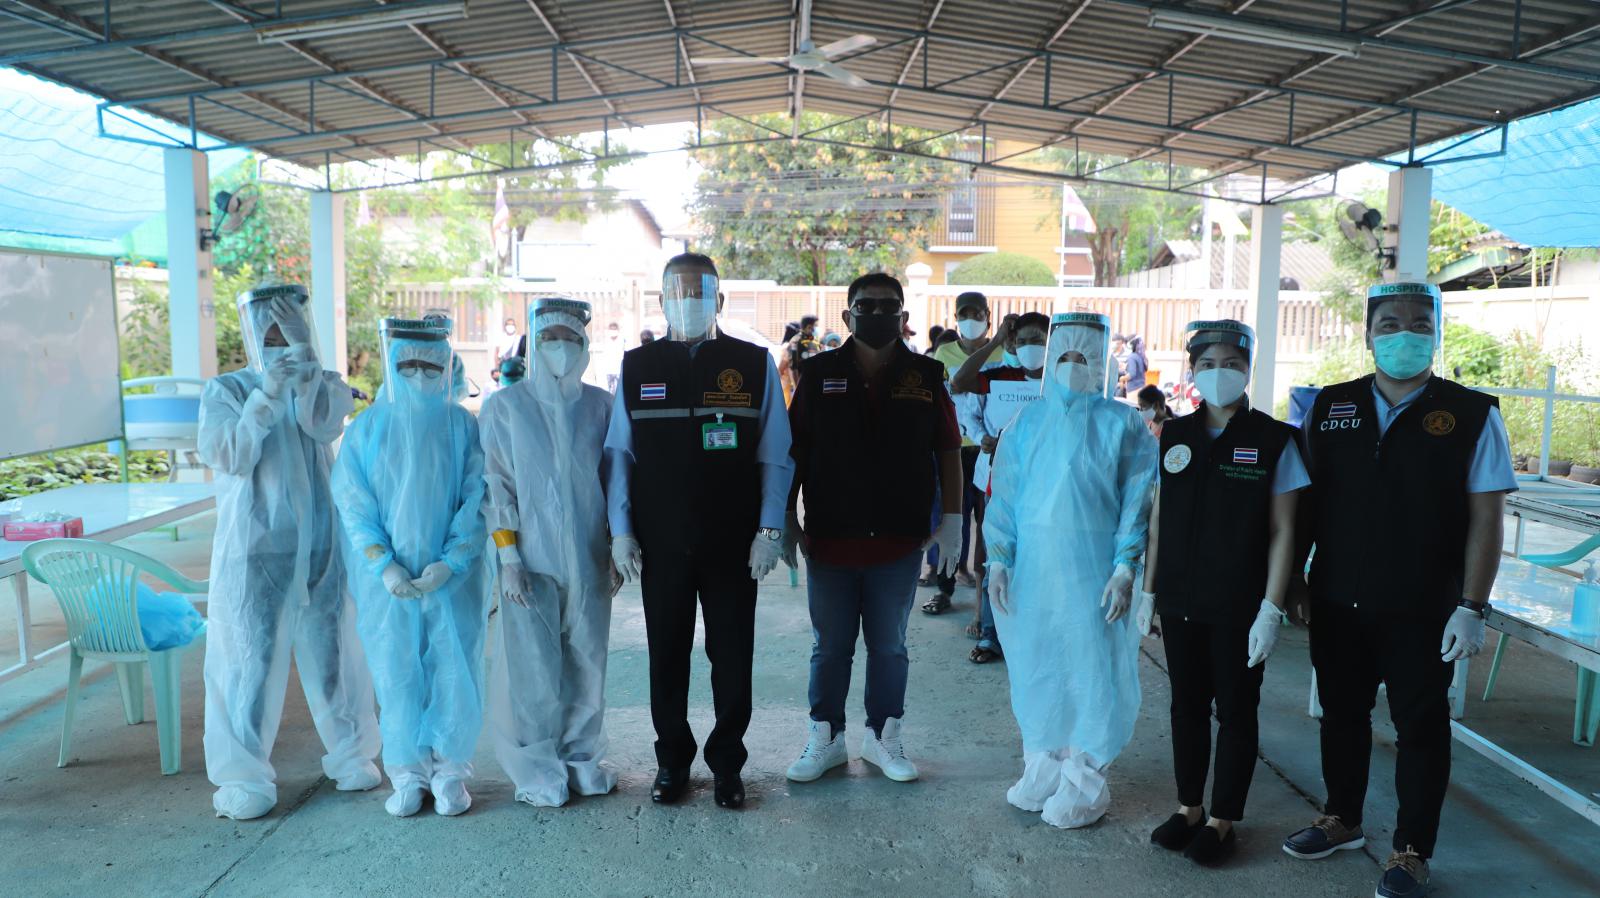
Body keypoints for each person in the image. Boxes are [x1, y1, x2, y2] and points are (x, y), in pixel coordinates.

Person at [1282, 282, 1515, 898]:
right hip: (1337, 597)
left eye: (1419, 324)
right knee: (1341, 715)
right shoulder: (1329, 406)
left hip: (1424, 605)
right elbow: (1304, 503)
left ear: (1436, 334)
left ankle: (1412, 850)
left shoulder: (1472, 414)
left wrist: (1472, 606)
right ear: (1368, 335)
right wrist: (1296, 579)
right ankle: (1342, 818)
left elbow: (1486, 517)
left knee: (1421, 727)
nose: (1404, 335)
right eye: (1389, 324)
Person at [603, 252, 794, 810]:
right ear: (661, 301)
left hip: (733, 543)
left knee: (732, 656)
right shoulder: (637, 366)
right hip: (661, 543)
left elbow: (775, 455)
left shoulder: (751, 364)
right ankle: (672, 761)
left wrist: (770, 530)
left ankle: (727, 763)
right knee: (666, 654)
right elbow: (619, 456)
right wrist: (621, 531)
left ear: (719, 300)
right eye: (677, 293)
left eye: (699, 292)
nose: (688, 302)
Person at [198, 284, 380, 821]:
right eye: (271, 335)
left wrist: (304, 370)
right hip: (257, 550)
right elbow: (230, 455)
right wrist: (265, 397)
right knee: (250, 661)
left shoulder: (323, 385)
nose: (279, 345)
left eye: (291, 334)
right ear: (253, 335)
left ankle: (351, 755)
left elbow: (321, 425)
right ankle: (243, 775)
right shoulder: (226, 390)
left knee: (333, 653)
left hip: (322, 545)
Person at [781, 273, 963, 786]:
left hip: (898, 541)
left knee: (889, 646)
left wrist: (952, 518)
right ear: (848, 315)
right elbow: (795, 450)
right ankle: (827, 736)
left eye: (889, 307)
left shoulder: (926, 374)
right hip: (830, 538)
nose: (878, 314)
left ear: (903, 317)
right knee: (830, 647)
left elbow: (948, 447)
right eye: (867, 306)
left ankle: (883, 735)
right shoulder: (819, 372)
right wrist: (786, 519)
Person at [1140, 320, 1308, 865]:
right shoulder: (1174, 434)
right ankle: (1189, 807)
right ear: (1192, 371)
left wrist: (1271, 608)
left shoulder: (1275, 439)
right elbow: (1160, 517)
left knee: (1236, 710)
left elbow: (1284, 530)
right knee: (1185, 705)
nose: (1220, 374)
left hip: (1240, 604)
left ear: (1248, 370)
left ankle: (1222, 819)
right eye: (1208, 364)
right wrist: (1148, 590)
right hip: (1180, 598)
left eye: (1232, 364)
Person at [983, 311, 1157, 828]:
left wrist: (1126, 567)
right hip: (1035, 573)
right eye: (1065, 356)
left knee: (1091, 669)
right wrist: (998, 558)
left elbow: (1137, 502)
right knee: (1038, 665)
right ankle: (1043, 763)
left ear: (1103, 363)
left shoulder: (1123, 424)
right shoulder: (1026, 422)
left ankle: (1084, 780)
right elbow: (1005, 496)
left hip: (1094, 574)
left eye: (1085, 357)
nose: (1073, 365)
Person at [330, 316, 488, 818]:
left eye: (431, 366)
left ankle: (450, 771)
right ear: (391, 364)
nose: (420, 375)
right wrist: (383, 565)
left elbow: (477, 498)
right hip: (388, 584)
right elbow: (354, 505)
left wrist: (453, 561)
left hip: (451, 579)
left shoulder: (463, 427)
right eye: (409, 364)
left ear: (448, 367)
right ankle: (407, 773)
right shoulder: (367, 429)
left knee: (454, 667)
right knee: (395, 671)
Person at [481, 297, 621, 808]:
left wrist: (617, 542)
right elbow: (496, 485)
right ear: (532, 345)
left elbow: (616, 482)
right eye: (549, 339)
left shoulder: (601, 407)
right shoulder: (506, 407)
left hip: (589, 556)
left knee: (588, 660)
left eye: (570, 339)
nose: (560, 348)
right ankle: (538, 768)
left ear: (585, 346)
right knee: (533, 670)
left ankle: (581, 759)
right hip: (530, 562)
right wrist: (508, 558)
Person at [948, 311, 1051, 663]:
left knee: (1039, 558)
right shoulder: (997, 375)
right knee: (997, 556)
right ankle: (991, 635)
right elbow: (959, 383)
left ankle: (1029, 634)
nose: (1029, 348)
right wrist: (994, 341)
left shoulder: (1059, 380)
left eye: (1038, 341)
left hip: (1046, 483)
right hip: (998, 481)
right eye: (1022, 342)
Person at [922, 291, 990, 610]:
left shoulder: (1002, 350)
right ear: (956, 318)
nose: (971, 320)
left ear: (988, 316)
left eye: (977, 314)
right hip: (954, 449)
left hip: (992, 449)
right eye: (965, 314)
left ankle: (984, 597)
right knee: (952, 518)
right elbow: (936, 396)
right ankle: (944, 588)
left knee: (989, 522)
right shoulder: (945, 352)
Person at [778, 314, 821, 401]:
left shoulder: (815, 341)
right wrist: (797, 388)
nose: (815, 329)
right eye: (814, 326)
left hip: (815, 383)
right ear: (808, 326)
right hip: (802, 384)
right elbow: (794, 367)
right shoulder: (796, 341)